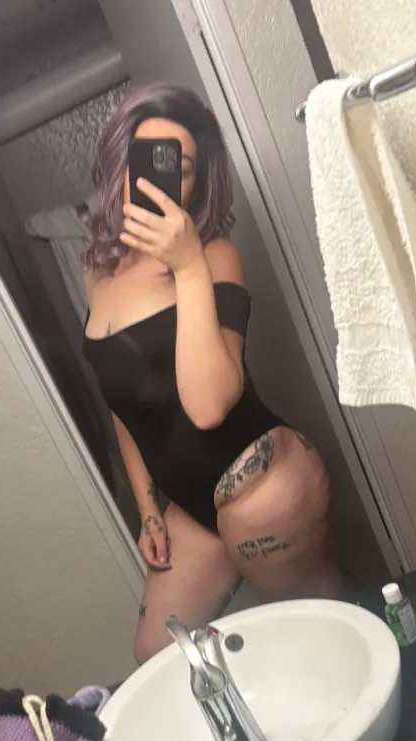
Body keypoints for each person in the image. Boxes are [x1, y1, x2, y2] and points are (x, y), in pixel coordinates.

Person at [82, 83, 341, 664]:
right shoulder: (97, 271)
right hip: (191, 508)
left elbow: (208, 406)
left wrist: (187, 264)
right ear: (121, 165)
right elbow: (123, 401)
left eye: (178, 168)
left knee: (320, 645)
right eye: (145, 158)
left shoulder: (217, 256)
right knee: (158, 656)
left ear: (196, 184)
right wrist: (148, 509)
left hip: (264, 488)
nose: (156, 180)